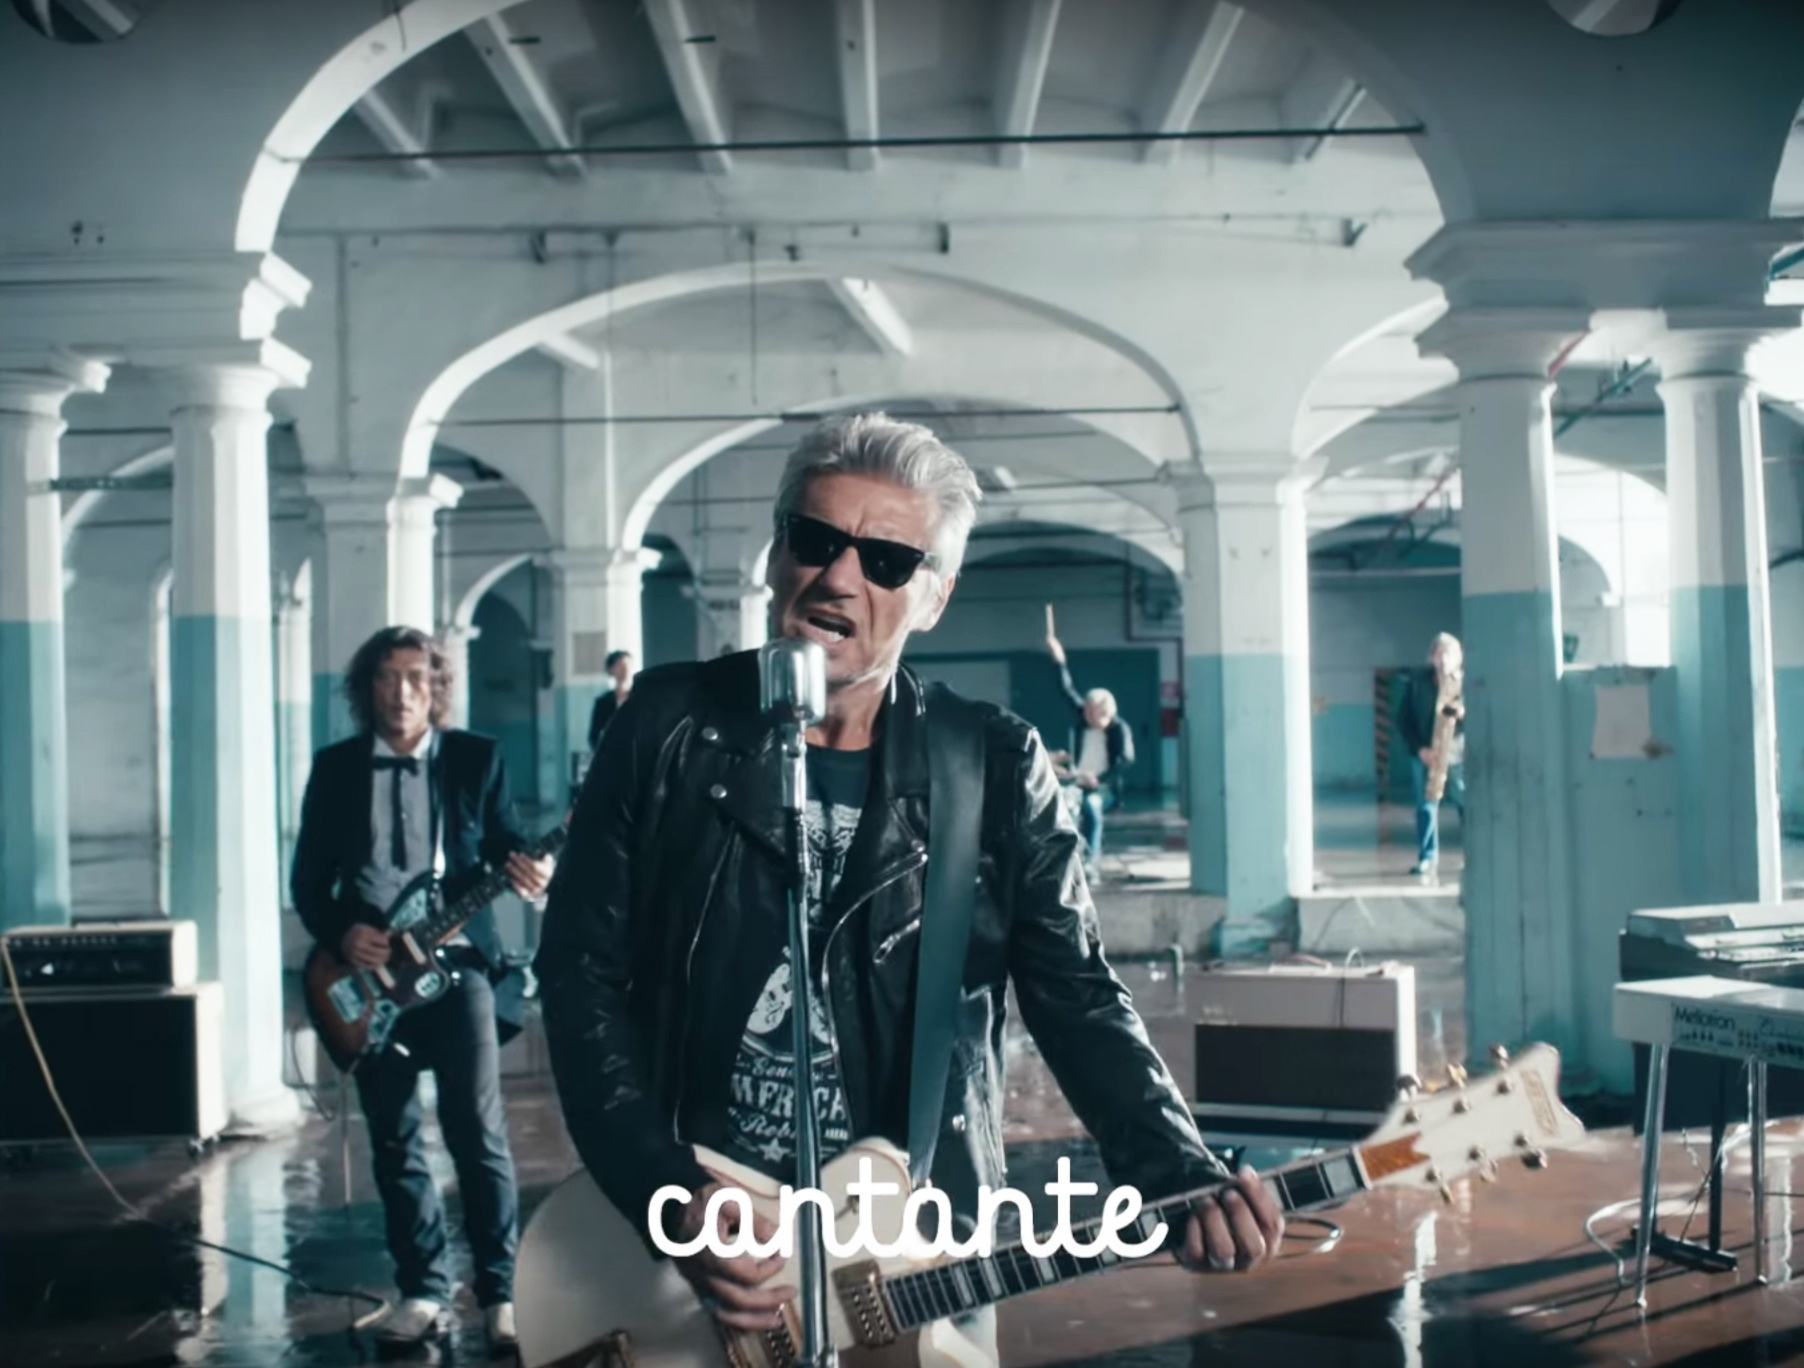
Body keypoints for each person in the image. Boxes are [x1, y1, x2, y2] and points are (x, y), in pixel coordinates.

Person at [535, 413, 1283, 1355]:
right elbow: (581, 972)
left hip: (916, 1242)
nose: (839, 577)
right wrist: (665, 1188)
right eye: (815, 540)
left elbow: (1075, 993)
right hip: (696, 1250)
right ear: (778, 554)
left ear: (933, 597)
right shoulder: (668, 726)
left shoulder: (994, 764)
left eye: (887, 561)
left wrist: (1175, 1166)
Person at [291, 626, 555, 1351]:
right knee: (394, 1137)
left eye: (416, 677)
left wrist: (535, 874)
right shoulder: (335, 769)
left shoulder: (476, 758)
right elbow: (308, 882)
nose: (402, 692)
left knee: (478, 1132)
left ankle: (500, 1293)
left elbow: (506, 846)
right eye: (387, 677)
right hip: (371, 977)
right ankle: (422, 1290)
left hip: (457, 965)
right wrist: (343, 933)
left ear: (435, 686)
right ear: (367, 689)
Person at [1044, 630, 1134, 878]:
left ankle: (1091, 861)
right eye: (1087, 713)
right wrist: (1059, 660)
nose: (1088, 718)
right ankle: (1064, 861)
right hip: (1077, 780)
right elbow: (1066, 689)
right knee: (1057, 808)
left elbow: (1125, 759)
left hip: (1103, 787)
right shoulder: (1084, 719)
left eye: (1093, 714)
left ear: (1107, 713)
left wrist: (1099, 779)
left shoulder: (1119, 729)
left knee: (1091, 807)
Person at [1396, 631, 1465, 881]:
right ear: (1432, 657)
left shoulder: (1465, 685)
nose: (1444, 660)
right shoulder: (1417, 684)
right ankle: (1427, 857)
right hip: (1425, 754)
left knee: (1464, 804)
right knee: (1425, 807)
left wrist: (1463, 714)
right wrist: (1420, 750)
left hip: (1456, 756)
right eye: (1439, 654)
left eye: (1449, 654)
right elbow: (1403, 721)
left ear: (1458, 658)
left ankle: (1474, 854)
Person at [585, 649, 637, 752]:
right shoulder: (603, 702)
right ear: (611, 669)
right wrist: (603, 755)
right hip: (612, 754)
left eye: (629, 665)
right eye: (620, 665)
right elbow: (593, 736)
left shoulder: (638, 698)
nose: (626, 669)